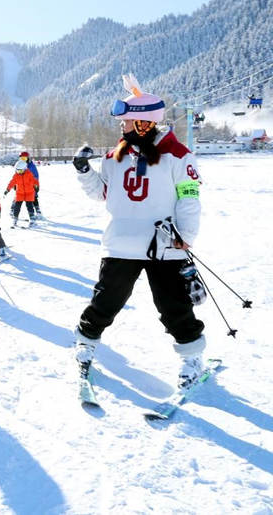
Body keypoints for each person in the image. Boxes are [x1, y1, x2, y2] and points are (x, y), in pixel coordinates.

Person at [71, 73, 206, 389]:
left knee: (174, 306)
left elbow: (189, 198)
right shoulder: (115, 157)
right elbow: (102, 194)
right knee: (105, 302)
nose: (122, 126)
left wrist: (186, 235)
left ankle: (191, 357)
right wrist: (84, 171)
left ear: (145, 123)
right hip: (121, 243)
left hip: (165, 244)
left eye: (127, 121)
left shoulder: (178, 156)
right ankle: (85, 343)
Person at [5, 160, 38, 228]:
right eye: (17, 170)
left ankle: (32, 219)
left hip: (29, 193)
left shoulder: (29, 174)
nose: (19, 172)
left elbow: (34, 181)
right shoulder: (16, 175)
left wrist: (36, 186)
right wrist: (7, 189)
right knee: (17, 206)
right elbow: (12, 182)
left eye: (20, 171)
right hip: (20, 193)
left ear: (24, 169)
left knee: (29, 206)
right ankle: (15, 219)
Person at [19, 151, 44, 220]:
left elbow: (36, 175)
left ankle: (38, 212)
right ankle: (13, 211)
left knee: (34, 198)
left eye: (24, 158)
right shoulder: (19, 165)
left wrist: (35, 185)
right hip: (22, 186)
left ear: (28, 158)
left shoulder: (31, 166)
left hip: (31, 185)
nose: (23, 160)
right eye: (21, 158)